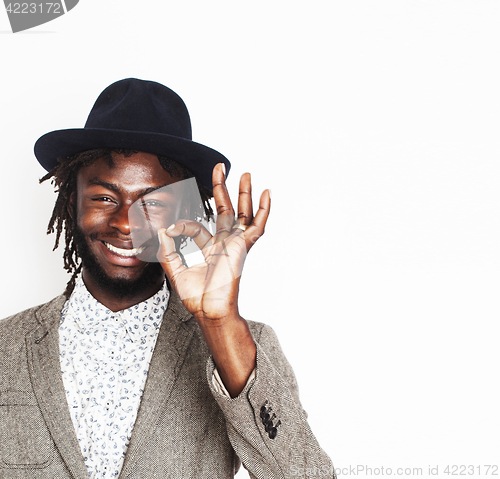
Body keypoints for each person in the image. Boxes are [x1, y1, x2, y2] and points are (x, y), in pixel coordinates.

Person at [0, 78, 334, 479]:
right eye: (105, 198)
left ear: (185, 214)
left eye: (153, 203)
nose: (126, 223)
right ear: (71, 201)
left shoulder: (245, 345)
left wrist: (220, 323)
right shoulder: (7, 347)